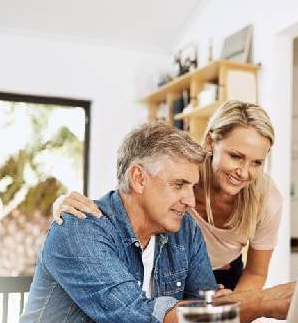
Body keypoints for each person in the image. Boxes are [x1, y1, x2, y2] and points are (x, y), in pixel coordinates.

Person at [3, 123, 294, 323]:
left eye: (192, 187)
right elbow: (144, 319)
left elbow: (208, 304)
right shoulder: (79, 229)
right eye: (179, 185)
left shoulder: (184, 229)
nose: (191, 200)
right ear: (139, 178)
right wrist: (263, 302)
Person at [54, 100, 282, 291]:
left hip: (224, 274)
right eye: (235, 156)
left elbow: (256, 272)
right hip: (171, 265)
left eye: (257, 162)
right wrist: (68, 207)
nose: (243, 172)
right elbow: (130, 198)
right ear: (211, 142)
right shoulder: (182, 167)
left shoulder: (267, 200)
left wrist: (238, 314)